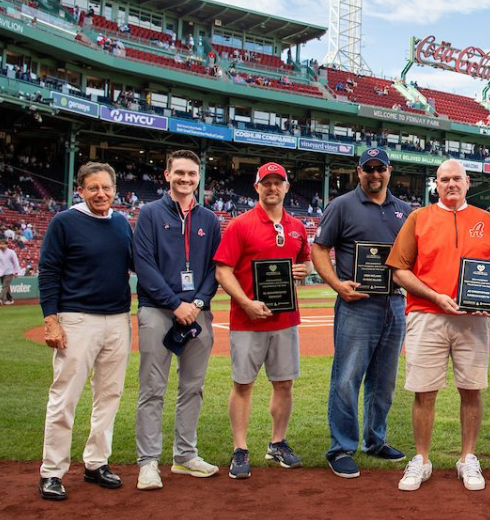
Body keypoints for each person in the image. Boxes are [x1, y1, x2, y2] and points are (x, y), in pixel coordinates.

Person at [386, 159, 490, 492]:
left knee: (471, 389)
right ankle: (422, 459)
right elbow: (399, 271)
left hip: (472, 320)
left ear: (468, 182)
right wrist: (435, 296)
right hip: (427, 315)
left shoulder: (486, 221)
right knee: (424, 391)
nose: (451, 184)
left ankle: (467, 457)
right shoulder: (418, 218)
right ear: (436, 185)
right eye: (444, 180)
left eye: (457, 178)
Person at [312, 149, 412, 478]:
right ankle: (340, 447)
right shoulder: (341, 205)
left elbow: (414, 257)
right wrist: (337, 284)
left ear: (389, 170)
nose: (374, 174)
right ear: (359, 171)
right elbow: (319, 249)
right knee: (347, 378)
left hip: (394, 303)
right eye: (368, 169)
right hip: (356, 303)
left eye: (379, 168)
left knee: (384, 382)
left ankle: (375, 439)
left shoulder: (404, 211)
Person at [37, 162, 134, 500]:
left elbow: (138, 264)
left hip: (118, 319)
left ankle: (96, 462)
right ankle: (52, 470)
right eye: (93, 187)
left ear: (115, 189)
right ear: (80, 189)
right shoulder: (64, 222)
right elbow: (48, 271)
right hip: (77, 320)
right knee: (65, 398)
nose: (101, 193)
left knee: (109, 396)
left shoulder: (121, 223)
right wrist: (51, 319)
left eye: (106, 187)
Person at [214, 162, 311, 480]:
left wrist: (304, 270)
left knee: (284, 384)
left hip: (285, 319)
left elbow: (305, 261)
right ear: (256, 187)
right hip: (247, 319)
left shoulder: (297, 226)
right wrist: (245, 302)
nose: (272, 188)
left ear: (286, 187)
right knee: (243, 384)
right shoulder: (240, 225)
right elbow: (223, 270)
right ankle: (240, 448)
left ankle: (277, 442)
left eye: (277, 183)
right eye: (265, 183)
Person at [132, 150, 223, 490]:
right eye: (180, 173)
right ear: (167, 174)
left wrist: (197, 301)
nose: (186, 179)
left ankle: (185, 456)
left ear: (199, 178)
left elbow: (216, 267)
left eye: (192, 174)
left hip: (198, 312)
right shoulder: (150, 214)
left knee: (193, 388)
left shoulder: (210, 220)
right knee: (152, 389)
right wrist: (175, 304)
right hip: (158, 309)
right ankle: (148, 462)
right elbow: (144, 266)